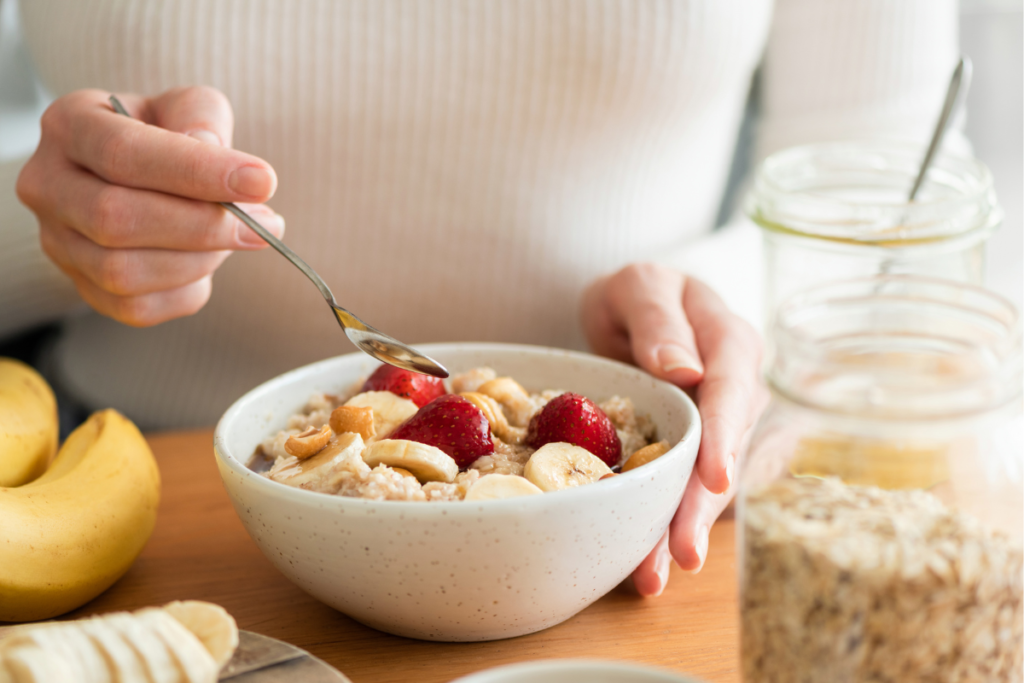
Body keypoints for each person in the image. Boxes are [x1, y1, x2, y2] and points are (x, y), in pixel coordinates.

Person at [0, 0, 961, 597]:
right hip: (137, 510)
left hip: (630, 522)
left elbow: (900, 186)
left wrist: (722, 297)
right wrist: (51, 227)